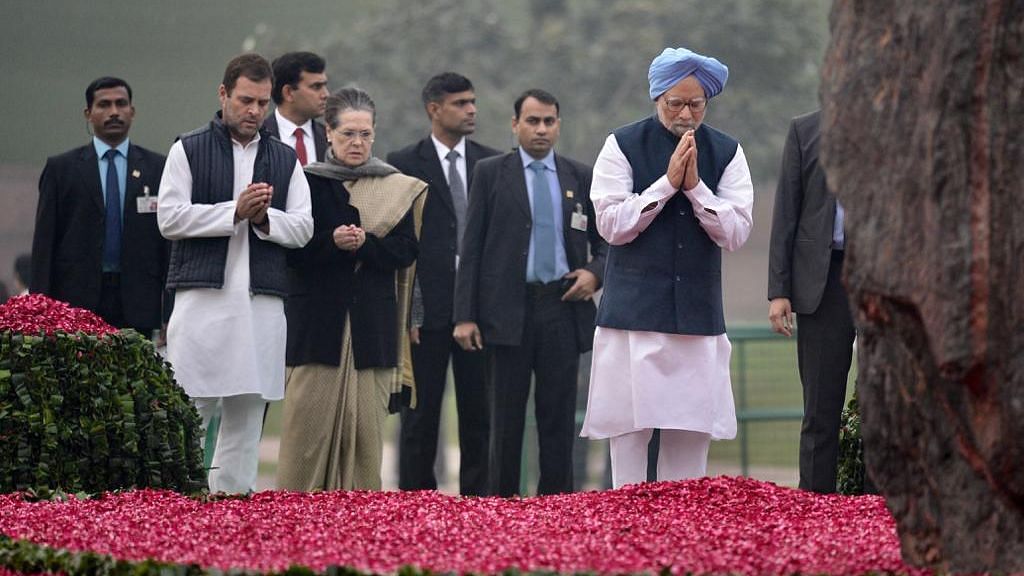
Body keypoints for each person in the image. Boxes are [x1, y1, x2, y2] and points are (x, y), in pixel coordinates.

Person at [580, 47, 754, 488]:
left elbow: (735, 233)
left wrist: (696, 190)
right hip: (633, 319)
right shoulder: (620, 145)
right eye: (675, 103)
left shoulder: (728, 151)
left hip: (696, 319)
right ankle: (627, 537)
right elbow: (611, 226)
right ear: (657, 97)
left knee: (690, 443)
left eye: (696, 104)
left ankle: (683, 542)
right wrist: (665, 184)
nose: (685, 113)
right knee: (629, 438)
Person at [157, 53, 313, 494]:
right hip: (202, 304)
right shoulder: (186, 148)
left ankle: (232, 509)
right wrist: (235, 213)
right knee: (190, 412)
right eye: (246, 100)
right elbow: (169, 219)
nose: (254, 111)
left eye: (263, 103)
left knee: (246, 420)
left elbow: (304, 227)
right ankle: (180, 507)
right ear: (223, 94)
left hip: (261, 306)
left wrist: (264, 221)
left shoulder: (284, 158)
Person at [454, 89, 607, 497]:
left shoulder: (579, 176)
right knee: (504, 419)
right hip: (505, 314)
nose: (541, 129)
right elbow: (471, 248)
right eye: (533, 121)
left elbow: (607, 244)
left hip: (561, 306)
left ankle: (556, 507)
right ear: (515, 124)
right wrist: (465, 315)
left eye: (549, 121)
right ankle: (501, 507)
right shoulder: (490, 172)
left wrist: (594, 274)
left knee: (558, 418)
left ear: (558, 125)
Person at [279, 87, 426, 491]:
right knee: (304, 437)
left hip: (370, 328)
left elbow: (406, 250)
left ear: (375, 135)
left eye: (364, 134)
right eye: (348, 134)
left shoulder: (395, 188)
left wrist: (366, 244)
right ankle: (292, 524)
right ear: (329, 133)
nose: (357, 142)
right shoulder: (306, 183)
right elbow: (291, 250)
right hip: (317, 327)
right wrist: (332, 243)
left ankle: (361, 533)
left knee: (364, 440)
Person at [387, 72, 501, 496]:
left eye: (473, 102)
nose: (471, 110)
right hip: (425, 314)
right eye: (460, 103)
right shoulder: (401, 164)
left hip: (478, 312)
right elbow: (398, 243)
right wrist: (408, 310)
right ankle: (415, 505)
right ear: (434, 109)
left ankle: (478, 507)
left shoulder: (493, 162)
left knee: (480, 416)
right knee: (419, 416)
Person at [31, 77, 168, 336]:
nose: (114, 112)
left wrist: (169, 309)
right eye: (104, 105)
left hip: (139, 302)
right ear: (88, 113)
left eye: (121, 104)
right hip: (74, 304)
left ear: (132, 111)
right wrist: (39, 311)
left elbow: (168, 243)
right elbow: (44, 245)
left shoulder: (158, 168)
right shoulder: (62, 169)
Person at [768, 110, 855, 493]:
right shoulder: (804, 129)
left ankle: (880, 508)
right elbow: (786, 211)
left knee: (888, 405)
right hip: (823, 281)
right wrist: (779, 290)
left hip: (887, 280)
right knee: (820, 407)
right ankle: (816, 508)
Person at [265, 51, 330, 165]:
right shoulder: (257, 139)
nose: (325, 94)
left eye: (325, 85)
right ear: (289, 92)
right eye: (316, 87)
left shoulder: (332, 139)